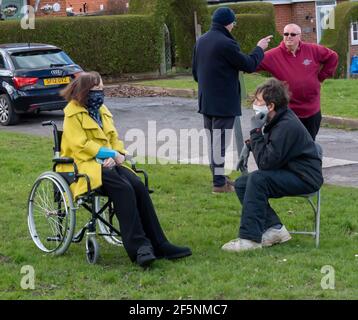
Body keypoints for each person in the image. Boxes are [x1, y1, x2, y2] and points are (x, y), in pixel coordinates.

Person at [57, 71, 192, 267]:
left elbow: (114, 138)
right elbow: (81, 146)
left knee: (137, 185)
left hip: (108, 163)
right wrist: (108, 155)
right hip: (82, 165)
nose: (100, 94)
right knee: (124, 188)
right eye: (97, 90)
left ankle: (160, 244)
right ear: (85, 91)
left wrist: (116, 154)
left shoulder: (102, 111)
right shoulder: (72, 113)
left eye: (102, 89)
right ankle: (139, 248)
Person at [222, 78, 323, 252]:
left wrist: (254, 132)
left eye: (258, 101)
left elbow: (266, 163)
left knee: (258, 179)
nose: (254, 104)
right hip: (293, 171)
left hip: (305, 177)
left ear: (270, 106)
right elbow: (271, 151)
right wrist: (250, 145)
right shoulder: (277, 120)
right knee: (242, 184)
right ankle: (274, 229)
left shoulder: (286, 125)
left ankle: (250, 239)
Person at [192, 6, 273, 193]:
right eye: (234, 23)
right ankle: (219, 184)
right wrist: (259, 48)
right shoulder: (226, 43)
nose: (234, 27)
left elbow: (196, 73)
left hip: (206, 101)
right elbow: (249, 64)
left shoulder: (201, 41)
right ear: (228, 24)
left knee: (214, 141)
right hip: (223, 103)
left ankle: (218, 176)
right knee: (220, 143)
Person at [257, 23, 338, 140]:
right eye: (286, 34)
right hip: (289, 111)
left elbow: (332, 57)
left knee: (309, 143)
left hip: (312, 110)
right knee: (290, 145)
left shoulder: (312, 49)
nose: (289, 36)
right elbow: (251, 64)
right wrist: (258, 49)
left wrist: (321, 76)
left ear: (299, 36)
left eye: (293, 34)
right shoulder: (273, 55)